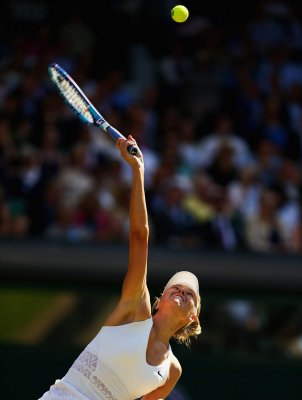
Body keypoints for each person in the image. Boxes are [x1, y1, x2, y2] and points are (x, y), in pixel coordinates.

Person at [39, 135, 202, 400]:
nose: (182, 291)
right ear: (158, 300)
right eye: (178, 287)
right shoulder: (136, 307)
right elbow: (140, 237)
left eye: (190, 294)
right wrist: (138, 171)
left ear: (192, 318)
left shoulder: (171, 371)